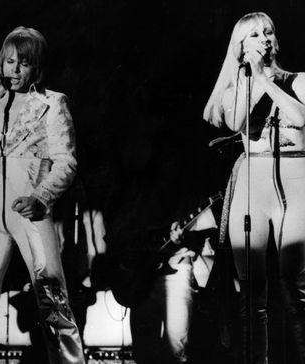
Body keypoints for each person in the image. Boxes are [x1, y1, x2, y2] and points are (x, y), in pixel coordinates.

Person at [0, 26, 85, 364]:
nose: (13, 70)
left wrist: (41, 197)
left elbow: (66, 161)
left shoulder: (52, 103)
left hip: (31, 210)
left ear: (38, 67)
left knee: (53, 303)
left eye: (24, 64)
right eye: (9, 61)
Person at [203, 12, 305, 363]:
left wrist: (266, 77)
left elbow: (300, 117)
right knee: (251, 294)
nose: (264, 38)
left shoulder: (299, 80)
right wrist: (252, 79)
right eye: (254, 35)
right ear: (241, 47)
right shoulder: (239, 88)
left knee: (296, 285)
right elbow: (235, 121)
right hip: (253, 182)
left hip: (297, 180)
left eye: (269, 32)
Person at [127, 205, 219, 364]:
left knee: (176, 348)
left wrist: (186, 236)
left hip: (177, 264)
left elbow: (207, 226)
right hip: (142, 268)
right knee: (144, 350)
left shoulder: (189, 185)